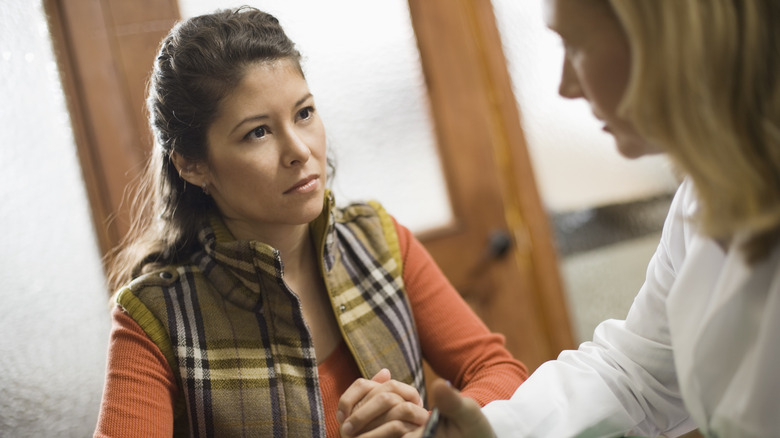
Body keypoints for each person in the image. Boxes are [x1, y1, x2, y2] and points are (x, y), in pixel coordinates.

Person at [92, 6, 528, 438]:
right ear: (192, 165)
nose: (299, 149)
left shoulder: (379, 239)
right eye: (257, 132)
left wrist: (431, 431)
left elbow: (497, 371)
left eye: (304, 113)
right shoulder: (153, 318)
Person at [386, 0, 780, 437]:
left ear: (665, 39)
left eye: (575, 46)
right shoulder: (705, 197)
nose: (566, 86)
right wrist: (488, 430)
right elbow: (635, 373)